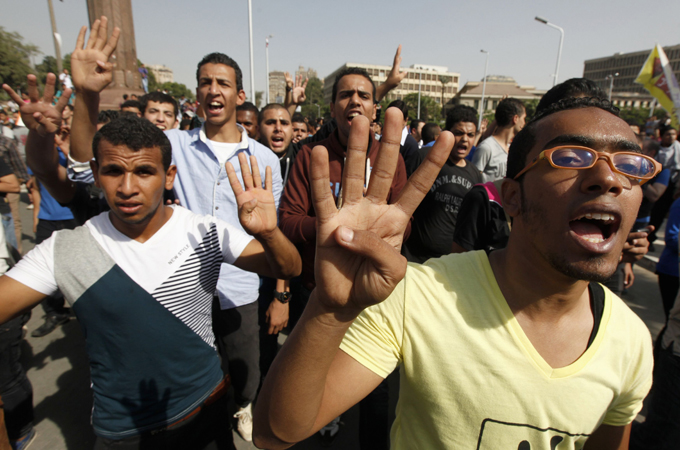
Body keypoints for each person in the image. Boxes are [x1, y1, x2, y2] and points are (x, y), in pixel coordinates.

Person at [254, 97, 659, 449]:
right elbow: (275, 432)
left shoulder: (632, 342)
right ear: (511, 196)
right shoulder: (419, 295)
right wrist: (330, 309)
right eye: (571, 157)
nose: (609, 179)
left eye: (631, 165)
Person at [0, 114, 301, 448]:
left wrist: (269, 234)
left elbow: (288, 268)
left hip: (206, 412)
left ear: (169, 175)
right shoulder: (66, 250)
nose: (128, 188)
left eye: (144, 171)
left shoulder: (204, 231)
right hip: (123, 431)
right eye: (114, 171)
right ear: (96, 173)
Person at [67, 20, 283, 442]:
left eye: (223, 83)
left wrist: (281, 294)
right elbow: (84, 166)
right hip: (178, 287)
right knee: (191, 381)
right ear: (197, 93)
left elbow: (274, 237)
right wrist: (86, 94)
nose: (213, 90)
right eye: (205, 82)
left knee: (246, 372)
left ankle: (243, 407)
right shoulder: (172, 144)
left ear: (240, 96)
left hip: (240, 288)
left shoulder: (265, 159)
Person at [277, 68, 409, 448]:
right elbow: (288, 220)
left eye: (364, 95)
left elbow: (404, 224)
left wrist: (376, 235)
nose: (355, 101)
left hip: (373, 297)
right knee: (306, 390)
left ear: (375, 108)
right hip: (318, 290)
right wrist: (333, 228)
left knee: (374, 393)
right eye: (345, 94)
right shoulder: (310, 156)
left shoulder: (392, 158)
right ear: (333, 106)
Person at [402, 105, 482, 263]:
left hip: (449, 264)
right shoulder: (424, 158)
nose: (465, 139)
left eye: (470, 135)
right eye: (458, 133)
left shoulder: (475, 174)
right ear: (447, 134)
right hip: (413, 258)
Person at [472, 97, 526, 182]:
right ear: (515, 119)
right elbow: (472, 180)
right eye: (523, 118)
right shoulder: (487, 147)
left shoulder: (512, 149)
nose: (524, 123)